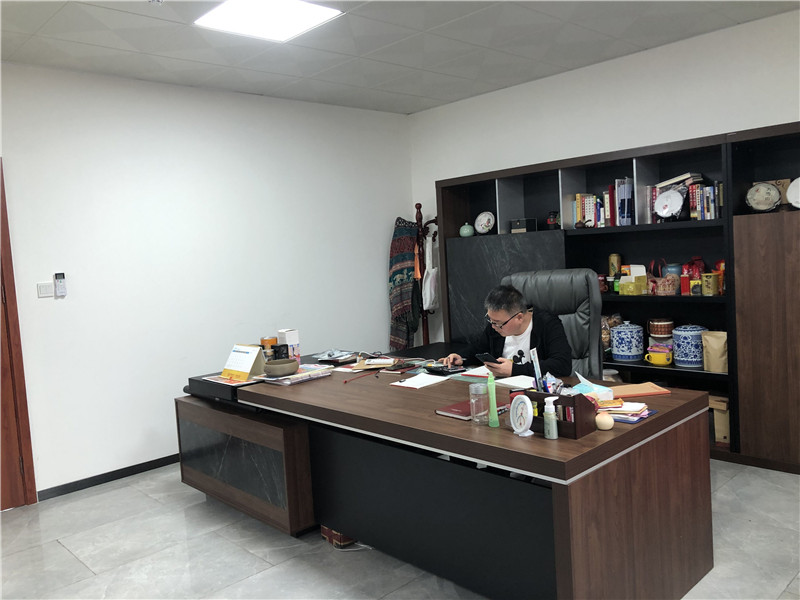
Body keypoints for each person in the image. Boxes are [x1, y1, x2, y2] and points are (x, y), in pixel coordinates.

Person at [440, 285, 572, 378]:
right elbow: (479, 349)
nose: (493, 327)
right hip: (501, 389)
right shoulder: (496, 325)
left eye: (498, 323)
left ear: (519, 317)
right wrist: (462, 358)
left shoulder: (547, 324)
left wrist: (514, 370)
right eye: (490, 320)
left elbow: (562, 365)